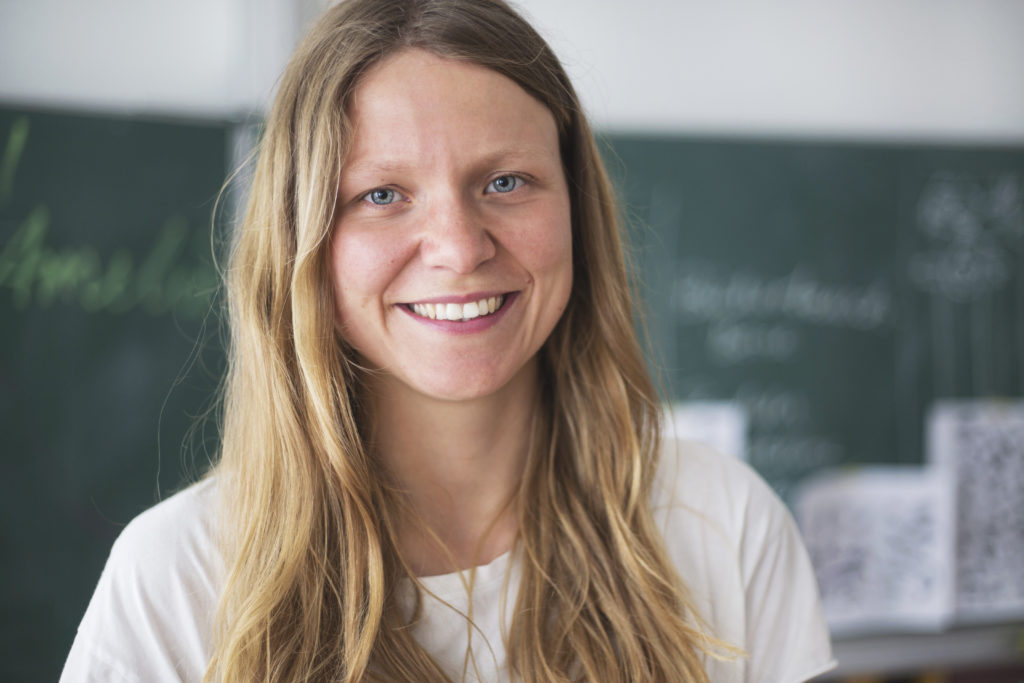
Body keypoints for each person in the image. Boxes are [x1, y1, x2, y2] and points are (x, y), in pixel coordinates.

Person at [61, 0, 836, 680]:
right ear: (304, 243)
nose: (459, 248)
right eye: (382, 194)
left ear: (575, 208)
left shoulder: (726, 524)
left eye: (505, 182)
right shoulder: (174, 581)